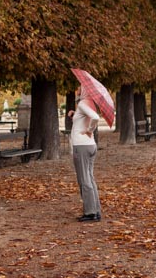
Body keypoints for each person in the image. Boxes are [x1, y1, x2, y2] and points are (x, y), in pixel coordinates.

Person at [67, 86, 102, 222]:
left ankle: (90, 212)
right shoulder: (90, 104)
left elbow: (95, 118)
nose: (76, 90)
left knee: (84, 179)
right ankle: (96, 210)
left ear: (85, 91)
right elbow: (84, 119)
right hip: (90, 145)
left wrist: (90, 129)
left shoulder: (83, 103)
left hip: (82, 146)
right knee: (90, 178)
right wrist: (74, 115)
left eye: (79, 89)